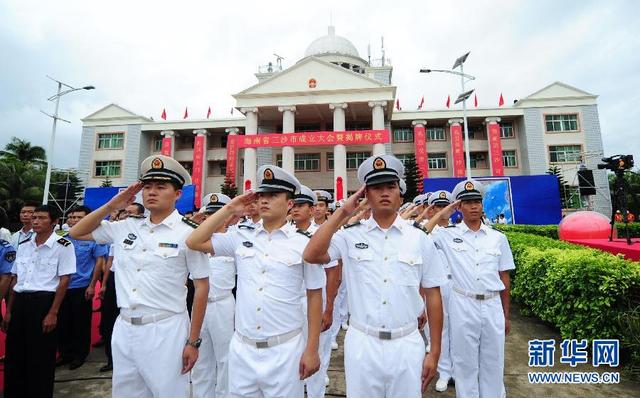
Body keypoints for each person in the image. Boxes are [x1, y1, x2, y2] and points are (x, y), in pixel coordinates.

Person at [303, 154, 446, 397]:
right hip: (362, 342)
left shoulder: (419, 238)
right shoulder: (350, 235)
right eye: (376, 188)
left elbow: (433, 295)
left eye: (390, 186)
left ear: (400, 193)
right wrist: (343, 213)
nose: (384, 193)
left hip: (406, 342)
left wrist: (434, 352)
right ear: (366, 195)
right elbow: (312, 254)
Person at [69, 155, 210, 397]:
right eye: (147, 187)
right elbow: (77, 231)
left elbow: (201, 288)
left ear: (177, 194)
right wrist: (111, 206)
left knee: (168, 393)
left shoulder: (189, 233)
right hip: (125, 327)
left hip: (165, 329)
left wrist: (193, 341)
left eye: (161, 187)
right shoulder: (126, 226)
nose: (151, 192)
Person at [186, 165, 325, 398]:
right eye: (261, 195)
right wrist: (231, 208)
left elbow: (314, 295)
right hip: (243, 348)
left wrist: (311, 348)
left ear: (289, 204)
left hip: (285, 349)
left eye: (273, 196)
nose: (265, 201)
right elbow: (194, 241)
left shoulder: (304, 243)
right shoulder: (242, 236)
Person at [430, 179, 515, 398]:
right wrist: (444, 211)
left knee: (493, 361)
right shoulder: (447, 235)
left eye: (477, 201)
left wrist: (505, 315)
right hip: (463, 303)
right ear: (458, 206)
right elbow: (420, 232)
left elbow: (504, 277)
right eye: (467, 202)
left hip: (492, 304)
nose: (474, 206)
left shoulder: (498, 238)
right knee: (464, 362)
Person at [4, 204, 76, 397]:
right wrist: (9, 310)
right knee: (15, 352)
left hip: (44, 303)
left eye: (41, 218)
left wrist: (53, 312)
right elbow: (15, 278)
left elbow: (64, 280)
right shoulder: (24, 245)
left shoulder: (64, 246)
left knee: (41, 354)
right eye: (34, 217)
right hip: (20, 302)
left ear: (54, 222)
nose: (35, 221)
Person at [292, 186, 341, 397]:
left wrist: (328, 308)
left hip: (314, 300)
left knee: (317, 350)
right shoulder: (285, 233)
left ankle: (316, 392)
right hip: (292, 303)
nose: (295, 210)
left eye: (301, 205)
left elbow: (333, 274)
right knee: (293, 351)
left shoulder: (321, 235)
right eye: (293, 204)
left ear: (312, 210)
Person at [190, 192, 237, 398]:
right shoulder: (192, 241)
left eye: (218, 213)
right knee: (199, 359)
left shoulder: (236, 241)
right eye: (209, 213)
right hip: (198, 306)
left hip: (223, 305)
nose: (212, 218)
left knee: (225, 358)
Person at [56, 206, 109, 370]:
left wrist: (93, 285)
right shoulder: (62, 239)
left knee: (80, 322)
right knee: (63, 321)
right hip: (61, 287)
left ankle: (80, 355)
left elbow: (99, 262)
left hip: (81, 285)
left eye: (79, 217)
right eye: (71, 217)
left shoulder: (93, 238)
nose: (73, 220)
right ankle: (65, 353)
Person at [424, 190, 456, 392]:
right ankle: (444, 371)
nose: (442, 210)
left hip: (459, 287)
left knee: (459, 330)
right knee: (441, 331)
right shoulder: (426, 233)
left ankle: (458, 370)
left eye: (445, 206)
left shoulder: (459, 230)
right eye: (437, 206)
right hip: (437, 286)